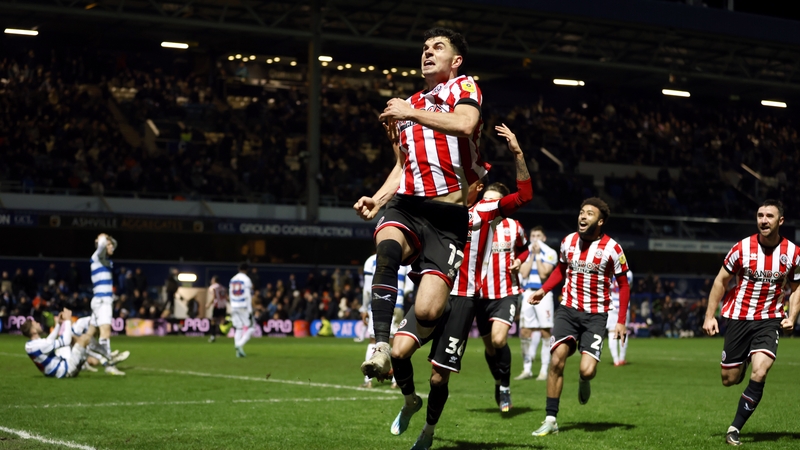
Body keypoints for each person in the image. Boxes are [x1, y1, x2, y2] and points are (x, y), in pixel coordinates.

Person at [354, 27, 489, 381]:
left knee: (428, 311)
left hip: (448, 216)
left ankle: (425, 334)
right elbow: (403, 166)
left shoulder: (463, 88)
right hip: (407, 205)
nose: (427, 52)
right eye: (425, 47)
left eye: (437, 47)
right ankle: (380, 345)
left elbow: (466, 124)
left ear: (456, 60)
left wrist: (411, 113)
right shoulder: (408, 104)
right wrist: (378, 198)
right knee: (386, 251)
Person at [389, 123, 532, 449]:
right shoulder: (432, 206)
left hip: (462, 301)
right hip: (430, 291)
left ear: (474, 185)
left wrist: (518, 154)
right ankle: (410, 401)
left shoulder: (484, 211)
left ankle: (428, 431)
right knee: (398, 353)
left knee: (438, 377)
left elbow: (524, 196)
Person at [529, 197, 630, 437]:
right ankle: (551, 419)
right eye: (582, 212)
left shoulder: (613, 249)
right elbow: (561, 269)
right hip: (568, 310)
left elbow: (624, 285)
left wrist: (621, 321)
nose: (583, 216)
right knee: (556, 360)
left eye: (589, 213)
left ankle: (585, 381)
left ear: (600, 221)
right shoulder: (568, 241)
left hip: (596, 316)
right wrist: (544, 289)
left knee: (586, 370)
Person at [702, 199, 800, 446]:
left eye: (769, 216)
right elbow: (721, 281)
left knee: (761, 370)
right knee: (729, 379)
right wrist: (709, 316)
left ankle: (734, 428)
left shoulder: (793, 253)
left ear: (781, 221)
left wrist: (792, 316)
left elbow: (797, 287)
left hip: (769, 319)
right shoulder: (741, 248)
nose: (763, 220)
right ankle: (743, 361)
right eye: (760, 215)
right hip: (739, 317)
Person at [476, 196, 529, 412]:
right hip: (479, 296)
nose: (488, 203)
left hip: (506, 293)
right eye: (485, 199)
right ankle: (498, 381)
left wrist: (519, 261)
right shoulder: (475, 224)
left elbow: (524, 249)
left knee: (499, 340)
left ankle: (505, 387)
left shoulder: (514, 226)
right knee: (490, 348)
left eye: (493, 199)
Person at [358, 253, 414, 388]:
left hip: (378, 304)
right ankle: (396, 380)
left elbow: (367, 290)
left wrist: (364, 308)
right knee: (395, 341)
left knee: (374, 340)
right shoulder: (405, 261)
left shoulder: (371, 260)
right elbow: (409, 288)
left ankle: (368, 380)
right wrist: (399, 296)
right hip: (397, 305)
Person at [517, 226, 558, 381]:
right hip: (528, 293)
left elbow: (543, 273)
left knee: (545, 331)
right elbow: (523, 272)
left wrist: (538, 255)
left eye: (538, 236)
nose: (535, 239)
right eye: (533, 236)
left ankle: (544, 370)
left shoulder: (550, 253)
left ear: (544, 238)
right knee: (525, 331)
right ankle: (527, 369)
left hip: (543, 294)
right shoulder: (526, 252)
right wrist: (532, 255)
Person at [83, 233, 126, 376]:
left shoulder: (105, 260)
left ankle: (80, 359)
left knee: (90, 334)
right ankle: (109, 365)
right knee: (105, 331)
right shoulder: (97, 256)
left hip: (100, 301)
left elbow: (114, 244)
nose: (111, 246)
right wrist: (102, 237)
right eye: (109, 244)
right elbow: (101, 244)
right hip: (102, 301)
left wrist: (108, 240)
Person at [22, 308, 90, 378]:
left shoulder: (29, 345)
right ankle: (85, 362)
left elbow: (48, 341)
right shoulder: (41, 345)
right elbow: (66, 341)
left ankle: (82, 361)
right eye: (36, 324)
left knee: (74, 338)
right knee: (84, 338)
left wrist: (59, 324)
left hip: (56, 372)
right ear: (33, 331)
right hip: (65, 370)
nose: (38, 323)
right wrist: (68, 320)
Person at [607, 270, 633, 366]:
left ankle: (616, 360)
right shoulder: (629, 273)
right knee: (623, 331)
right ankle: (622, 358)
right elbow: (628, 287)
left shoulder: (609, 271)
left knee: (611, 332)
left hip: (612, 304)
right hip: (624, 305)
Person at [230, 263, 255, 357]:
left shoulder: (232, 279)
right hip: (243, 306)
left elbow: (230, 294)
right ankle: (239, 345)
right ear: (247, 270)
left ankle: (238, 352)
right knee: (252, 327)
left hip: (234, 306)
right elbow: (247, 295)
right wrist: (250, 309)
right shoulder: (246, 279)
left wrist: (231, 306)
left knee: (238, 328)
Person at [207, 275, 229, 343]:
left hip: (217, 306)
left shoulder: (213, 287)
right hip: (223, 306)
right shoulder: (223, 287)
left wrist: (208, 304)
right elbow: (226, 297)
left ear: (214, 280)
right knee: (222, 321)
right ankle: (232, 323)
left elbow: (214, 296)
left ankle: (213, 336)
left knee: (213, 321)